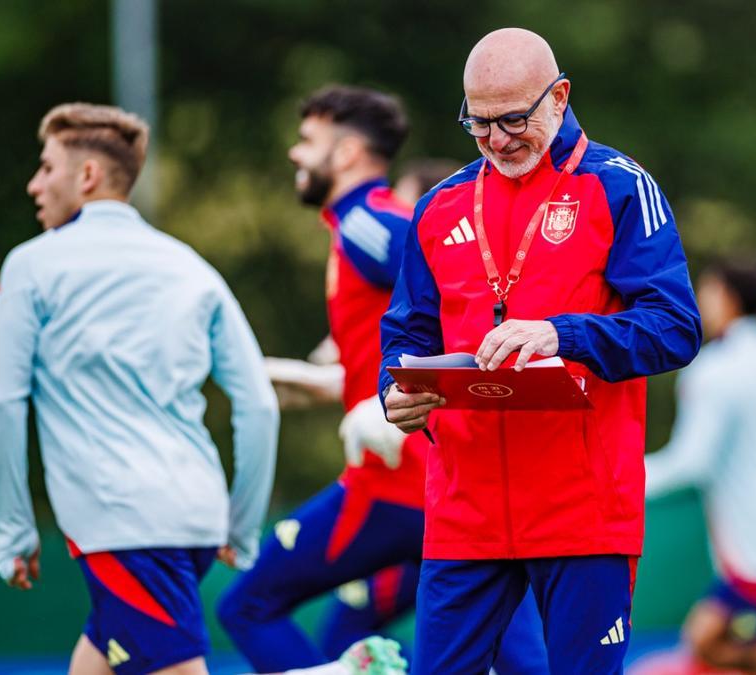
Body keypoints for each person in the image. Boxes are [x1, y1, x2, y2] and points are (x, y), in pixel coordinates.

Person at [379, 28, 702, 674]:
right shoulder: (438, 208)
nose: (498, 140)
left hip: (581, 510)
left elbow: (676, 326)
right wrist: (396, 392)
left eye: (514, 119)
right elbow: (408, 333)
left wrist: (564, 333)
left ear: (560, 97)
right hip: (464, 510)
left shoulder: (617, 186)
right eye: (479, 123)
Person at [218, 85, 549, 673]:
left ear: (345, 154)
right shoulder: (361, 226)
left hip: (400, 482)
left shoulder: (367, 223)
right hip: (447, 480)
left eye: (307, 141)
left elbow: (471, 300)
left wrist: (399, 399)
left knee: (249, 607)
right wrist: (310, 381)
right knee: (516, 658)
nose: (296, 154)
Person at [0, 103, 280, 675]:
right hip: (194, 517)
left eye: (46, 167)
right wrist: (240, 525)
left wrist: (13, 532)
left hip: (125, 529)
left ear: (87, 175)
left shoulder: (31, 266)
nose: (33, 183)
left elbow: (2, 405)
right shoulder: (192, 266)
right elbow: (259, 405)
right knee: (98, 660)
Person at [642, 260, 756, 675]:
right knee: (709, 645)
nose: (700, 302)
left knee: (714, 646)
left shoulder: (716, 370)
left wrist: (624, 477)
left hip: (755, 551)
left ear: (728, 298)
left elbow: (691, 462)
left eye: (705, 291)